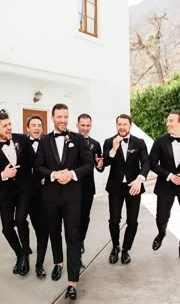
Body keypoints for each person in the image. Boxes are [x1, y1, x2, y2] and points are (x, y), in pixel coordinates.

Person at [35, 103, 93, 300]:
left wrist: (72, 174)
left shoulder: (77, 139)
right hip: (50, 197)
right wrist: (53, 174)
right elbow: (38, 167)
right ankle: (58, 262)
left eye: (66, 116)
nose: (63, 120)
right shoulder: (44, 140)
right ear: (52, 118)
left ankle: (72, 283)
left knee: (73, 236)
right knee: (54, 232)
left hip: (72, 197)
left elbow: (88, 165)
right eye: (59, 116)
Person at [0, 111, 34, 276]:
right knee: (6, 228)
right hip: (6, 191)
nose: (9, 128)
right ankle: (19, 254)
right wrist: (2, 175)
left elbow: (34, 161)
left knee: (20, 220)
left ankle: (25, 256)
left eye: (9, 124)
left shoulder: (21, 139)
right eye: (5, 126)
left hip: (24, 188)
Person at [103, 113, 150, 265]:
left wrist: (140, 179)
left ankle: (125, 249)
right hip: (115, 187)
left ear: (130, 125)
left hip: (133, 187)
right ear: (116, 125)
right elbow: (106, 163)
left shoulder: (140, 142)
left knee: (133, 221)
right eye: (119, 124)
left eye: (125, 124)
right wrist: (113, 149)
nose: (122, 127)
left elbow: (146, 163)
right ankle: (115, 246)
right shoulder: (109, 141)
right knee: (114, 220)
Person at [150, 110, 180, 255]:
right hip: (165, 184)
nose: (167, 124)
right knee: (161, 217)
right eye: (167, 121)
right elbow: (152, 163)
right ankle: (161, 233)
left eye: (171, 121)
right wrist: (169, 175)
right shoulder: (160, 141)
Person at [76, 114, 103, 260]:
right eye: (83, 125)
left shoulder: (95, 144)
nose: (85, 128)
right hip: (72, 187)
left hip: (87, 187)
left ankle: (80, 241)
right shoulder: (69, 140)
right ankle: (73, 242)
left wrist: (99, 165)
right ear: (77, 125)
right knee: (73, 217)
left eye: (88, 125)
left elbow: (99, 167)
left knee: (84, 217)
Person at [26, 115, 50, 277]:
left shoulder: (48, 143)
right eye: (33, 125)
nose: (36, 128)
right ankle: (23, 256)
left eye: (39, 125)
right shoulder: (19, 142)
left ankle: (39, 264)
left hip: (43, 193)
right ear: (28, 128)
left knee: (43, 230)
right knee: (20, 223)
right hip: (24, 193)